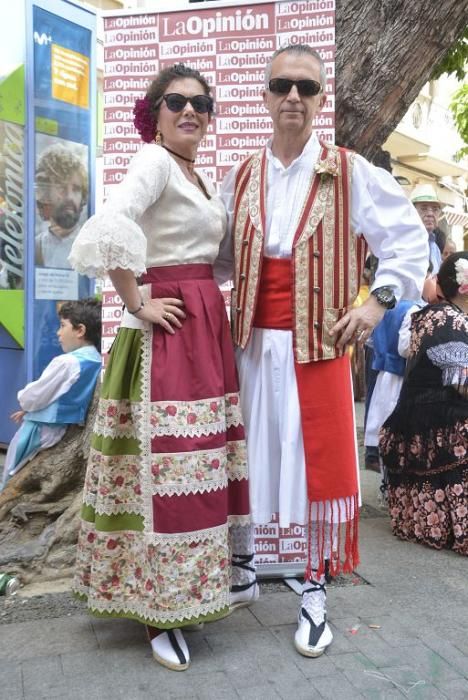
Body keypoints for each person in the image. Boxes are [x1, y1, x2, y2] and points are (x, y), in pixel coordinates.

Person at [218, 43, 429, 658]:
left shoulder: (350, 169)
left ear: (319, 99)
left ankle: (314, 585)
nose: (293, 97)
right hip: (252, 344)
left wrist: (374, 304)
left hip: (320, 347)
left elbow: (407, 242)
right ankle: (245, 565)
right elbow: (221, 258)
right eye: (282, 85)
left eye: (306, 88)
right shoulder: (240, 176)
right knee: (250, 454)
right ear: (264, 94)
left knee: (317, 465)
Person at [69, 64, 251, 672]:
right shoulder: (151, 161)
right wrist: (135, 300)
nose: (191, 111)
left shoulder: (197, 174)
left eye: (202, 102)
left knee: (196, 468)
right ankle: (156, 610)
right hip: (165, 337)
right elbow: (111, 223)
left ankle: (191, 594)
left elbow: (211, 259)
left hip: (202, 326)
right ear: (155, 111)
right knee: (164, 473)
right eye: (177, 101)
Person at [380, 252, 468, 555]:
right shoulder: (451, 320)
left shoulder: (435, 313)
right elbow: (460, 383)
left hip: (419, 417)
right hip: (438, 419)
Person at [1, 299, 101, 491]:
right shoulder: (95, 360)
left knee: (12, 470)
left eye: (63, 326)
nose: (58, 332)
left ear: (80, 330)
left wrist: (27, 405)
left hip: (40, 429)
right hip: (64, 427)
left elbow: (34, 396)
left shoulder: (66, 363)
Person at [364, 266, 436, 484]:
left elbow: (369, 340)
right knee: (397, 427)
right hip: (400, 375)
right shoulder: (412, 309)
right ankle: (396, 485)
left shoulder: (383, 306)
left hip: (383, 374)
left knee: (383, 422)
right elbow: (406, 347)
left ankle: (387, 480)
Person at [35, 144, 88, 268]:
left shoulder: (92, 246)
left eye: (76, 189)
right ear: (46, 193)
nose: (69, 196)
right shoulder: (34, 247)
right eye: (61, 188)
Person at [410, 184, 444, 274]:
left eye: (435, 209)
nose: (430, 214)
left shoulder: (435, 248)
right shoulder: (404, 241)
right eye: (424, 208)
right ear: (411, 211)